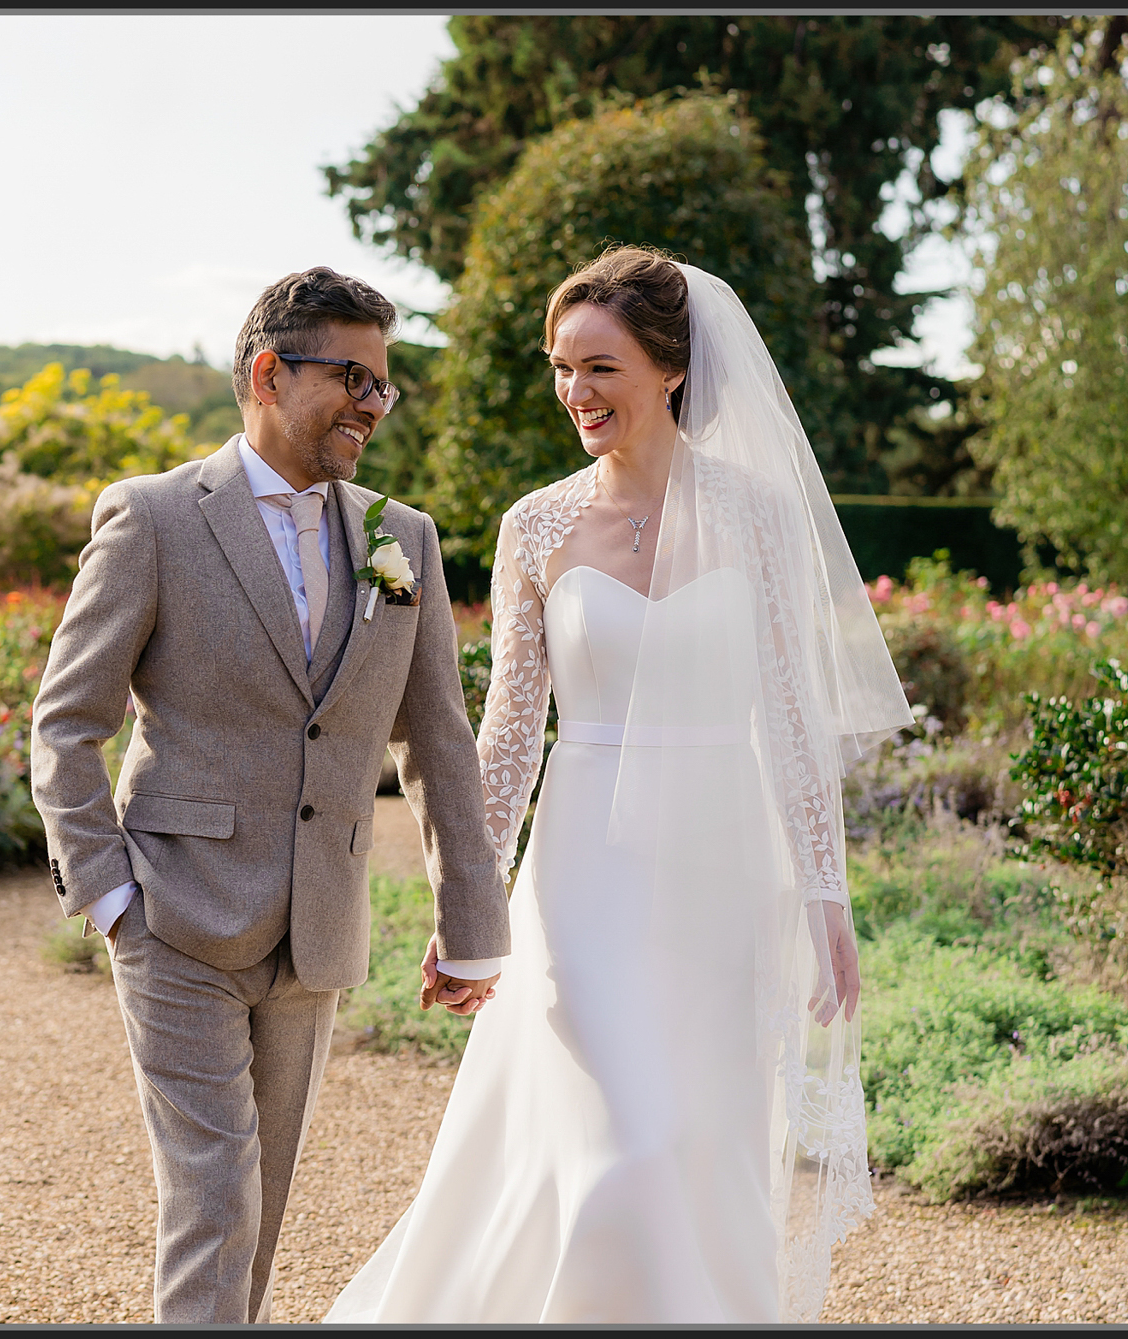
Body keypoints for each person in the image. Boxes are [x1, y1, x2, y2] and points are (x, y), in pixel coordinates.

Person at [326, 246, 912, 1324]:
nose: (574, 392)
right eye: (560, 367)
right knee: (620, 1143)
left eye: (599, 366)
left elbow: (789, 720)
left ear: (670, 370)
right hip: (584, 866)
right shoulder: (533, 526)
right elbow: (502, 733)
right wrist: (468, 900)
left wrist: (824, 898)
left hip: (720, 867)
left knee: (702, 1140)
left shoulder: (757, 516)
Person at [29, 267, 511, 1324]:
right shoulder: (153, 518)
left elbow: (435, 735)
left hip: (317, 928)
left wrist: (470, 922)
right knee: (213, 1198)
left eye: (384, 386)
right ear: (264, 371)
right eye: (351, 378)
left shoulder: (402, 537)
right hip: (175, 913)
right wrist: (109, 898)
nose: (372, 406)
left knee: (263, 1203)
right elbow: (66, 722)